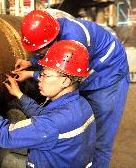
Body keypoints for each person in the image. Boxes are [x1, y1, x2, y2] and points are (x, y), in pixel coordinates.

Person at [14, 9, 130, 168]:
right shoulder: (51, 30)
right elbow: (47, 56)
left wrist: (31, 75)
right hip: (85, 69)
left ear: (52, 40)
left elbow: (66, 78)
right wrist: (31, 63)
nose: (37, 54)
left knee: (100, 136)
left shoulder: (75, 41)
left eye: (39, 51)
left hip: (108, 72)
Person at [0, 40, 96, 168]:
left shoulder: (52, 124)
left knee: (1, 159)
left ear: (65, 81)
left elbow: (5, 135)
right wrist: (19, 95)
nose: (39, 79)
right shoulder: (82, 104)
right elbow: (45, 116)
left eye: (44, 74)